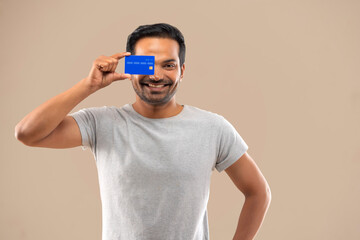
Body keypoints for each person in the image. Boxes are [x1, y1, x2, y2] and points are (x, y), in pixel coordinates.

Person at [15, 23, 271, 240]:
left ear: (182, 71)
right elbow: (27, 133)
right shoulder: (103, 122)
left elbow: (258, 193)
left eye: (169, 65)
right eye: (146, 64)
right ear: (130, 67)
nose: (157, 75)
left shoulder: (213, 128)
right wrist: (89, 85)